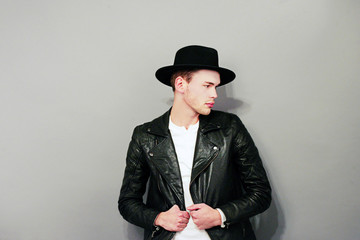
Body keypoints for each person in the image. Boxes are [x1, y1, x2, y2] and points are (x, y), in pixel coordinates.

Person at [118, 45, 271, 240]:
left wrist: (220, 215)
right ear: (181, 84)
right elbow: (127, 202)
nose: (215, 94)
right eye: (207, 85)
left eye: (216, 86)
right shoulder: (145, 136)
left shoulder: (229, 128)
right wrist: (158, 218)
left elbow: (261, 193)